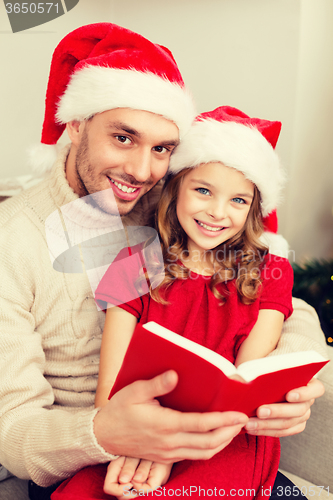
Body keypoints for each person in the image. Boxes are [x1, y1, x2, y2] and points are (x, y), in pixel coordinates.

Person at [0, 23, 326, 500]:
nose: (141, 171)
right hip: (92, 457)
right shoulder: (14, 241)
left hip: (207, 436)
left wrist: (288, 375)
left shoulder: (171, 208)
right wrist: (110, 434)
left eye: (161, 149)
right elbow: (14, 430)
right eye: (123, 138)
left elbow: (280, 299)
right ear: (74, 125)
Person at [50, 106, 304, 500]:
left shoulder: (271, 271)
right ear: (175, 189)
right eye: (203, 190)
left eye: (238, 200)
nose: (218, 212)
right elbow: (110, 394)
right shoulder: (132, 265)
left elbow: (243, 385)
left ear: (253, 208)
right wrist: (148, 447)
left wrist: (173, 452)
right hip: (137, 430)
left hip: (224, 436)